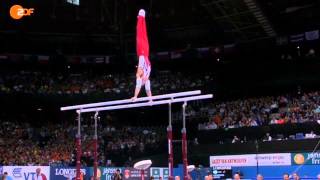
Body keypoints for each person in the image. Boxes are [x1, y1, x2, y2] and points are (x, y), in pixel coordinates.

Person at [132, 9, 152, 101]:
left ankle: (142, 17)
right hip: (143, 52)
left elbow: (145, 89)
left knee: (143, 33)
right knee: (140, 33)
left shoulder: (144, 77)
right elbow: (145, 89)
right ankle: (141, 17)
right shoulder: (143, 77)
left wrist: (150, 99)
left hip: (145, 52)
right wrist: (150, 99)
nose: (137, 75)